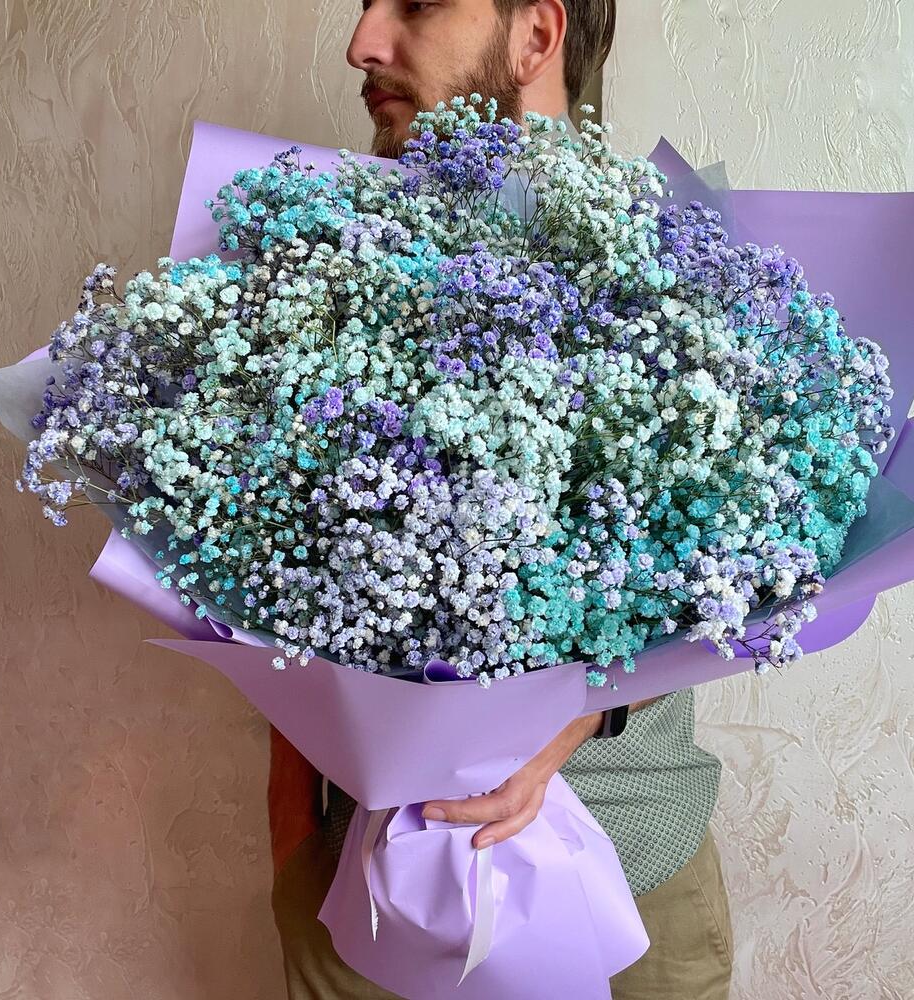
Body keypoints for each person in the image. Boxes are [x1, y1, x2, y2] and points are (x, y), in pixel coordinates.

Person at [269, 2, 734, 997]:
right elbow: (266, 576)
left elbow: (747, 564)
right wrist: (293, 842)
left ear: (537, 34)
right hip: (364, 898)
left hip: (627, 885)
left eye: (417, 4)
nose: (363, 42)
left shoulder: (674, 266)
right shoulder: (324, 257)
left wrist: (579, 708)